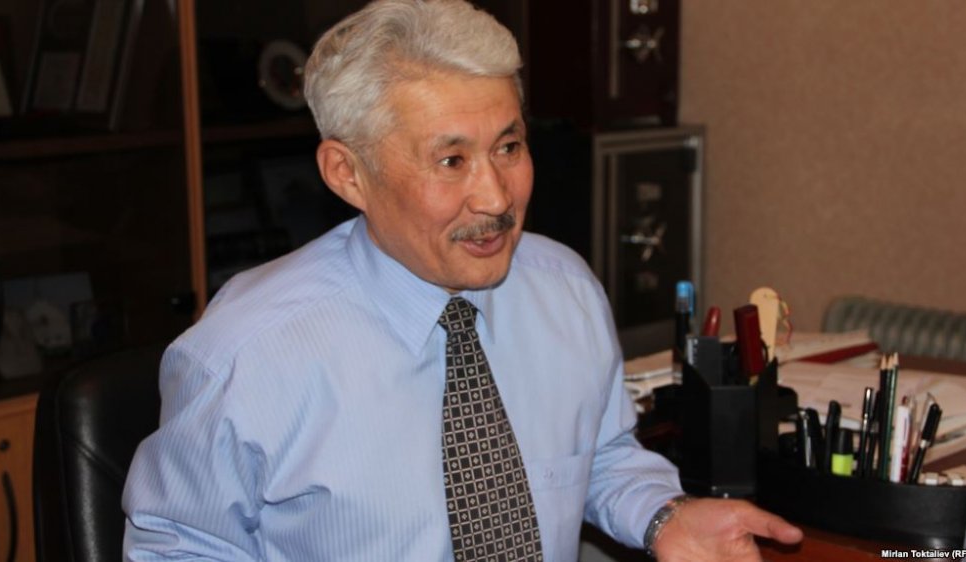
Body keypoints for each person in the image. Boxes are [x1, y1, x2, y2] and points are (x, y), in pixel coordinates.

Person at [122, 0, 803, 560]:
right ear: (348, 174)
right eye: (451, 161)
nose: (497, 197)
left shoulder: (563, 289)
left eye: (509, 147)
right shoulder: (247, 354)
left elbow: (599, 457)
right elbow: (177, 549)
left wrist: (663, 516)